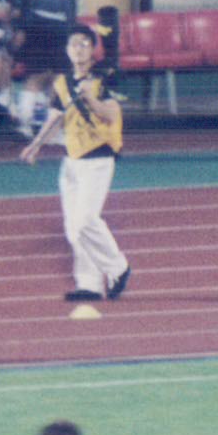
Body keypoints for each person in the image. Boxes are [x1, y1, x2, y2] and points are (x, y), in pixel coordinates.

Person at [19, 24, 132, 303]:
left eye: (84, 44)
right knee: (73, 228)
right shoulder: (62, 82)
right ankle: (89, 284)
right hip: (72, 159)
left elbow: (111, 114)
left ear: (93, 49)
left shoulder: (105, 78)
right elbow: (55, 117)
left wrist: (91, 98)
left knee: (85, 221)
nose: (78, 49)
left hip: (98, 157)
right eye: (73, 44)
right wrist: (36, 144)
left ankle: (118, 268)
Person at [14, 0, 77, 137]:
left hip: (60, 27)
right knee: (37, 76)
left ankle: (51, 128)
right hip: (39, 25)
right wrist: (21, 28)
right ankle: (26, 123)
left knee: (59, 78)